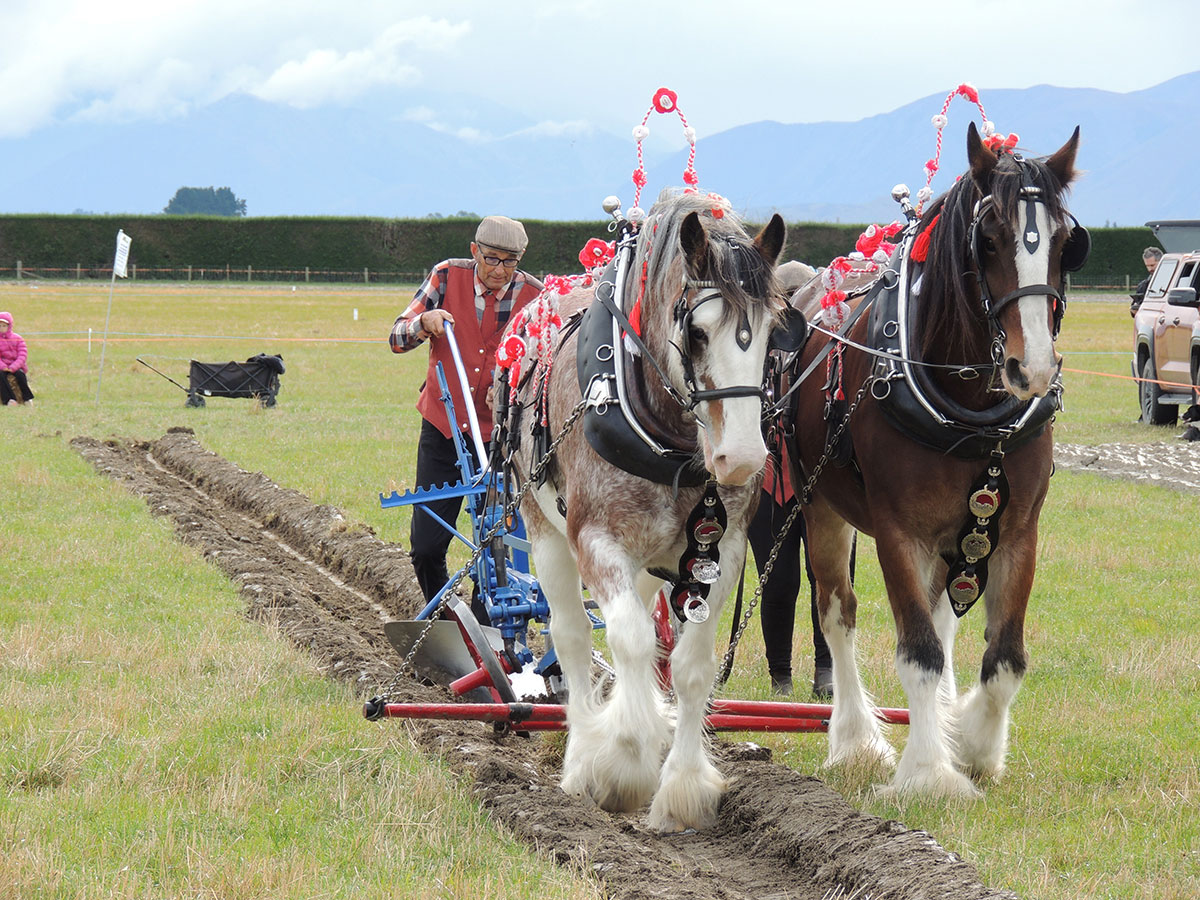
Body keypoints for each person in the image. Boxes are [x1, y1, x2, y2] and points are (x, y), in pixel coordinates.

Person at [389, 216, 544, 609]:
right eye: (492, 259)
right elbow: (397, 336)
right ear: (475, 251)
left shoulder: (534, 296)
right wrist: (424, 322)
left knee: (497, 552)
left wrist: (517, 386)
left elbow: (549, 362)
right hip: (444, 431)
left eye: (510, 261)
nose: (500, 270)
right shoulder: (446, 277)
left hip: (502, 440)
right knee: (426, 546)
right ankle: (444, 620)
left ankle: (488, 630)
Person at [747, 445, 857, 700]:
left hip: (825, 481)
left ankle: (826, 669)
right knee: (778, 583)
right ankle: (780, 676)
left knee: (830, 579)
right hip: (767, 480)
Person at [0, 311, 34, 406]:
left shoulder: (18, 338)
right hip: (2, 367)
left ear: (9, 326)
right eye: (0, 326)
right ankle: (9, 400)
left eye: (4, 326)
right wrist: (3, 366)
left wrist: (14, 366)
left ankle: (27, 398)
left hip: (16, 366)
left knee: (20, 375)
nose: (1, 328)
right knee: (1, 376)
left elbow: (22, 354)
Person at [1130, 246, 1164, 316]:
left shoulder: (1175, 281)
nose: (1149, 269)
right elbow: (1133, 311)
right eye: (1147, 266)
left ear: (1162, 262)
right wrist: (1134, 310)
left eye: (1152, 265)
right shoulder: (1143, 286)